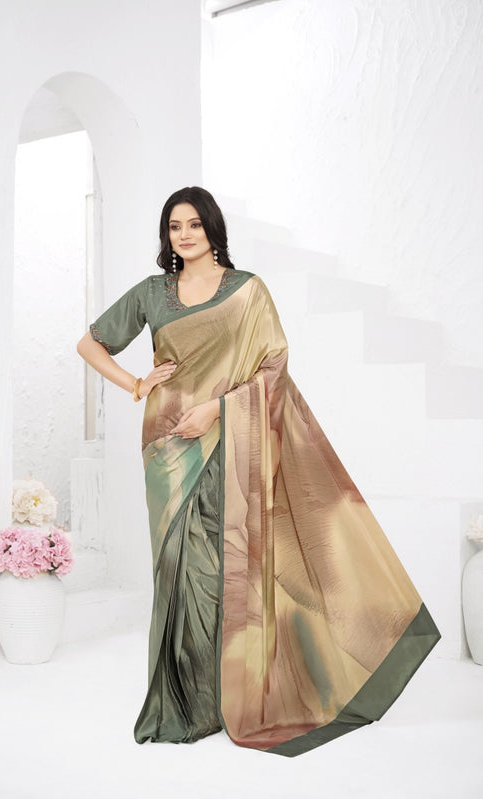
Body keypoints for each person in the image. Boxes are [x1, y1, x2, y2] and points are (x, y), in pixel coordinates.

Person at [77, 186, 440, 757]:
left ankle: (229, 695)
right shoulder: (151, 293)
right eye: (174, 226)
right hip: (168, 446)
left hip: (229, 438)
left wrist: (217, 410)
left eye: (194, 224)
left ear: (213, 229)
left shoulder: (247, 290)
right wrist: (137, 384)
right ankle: (184, 704)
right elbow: (90, 343)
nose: (184, 235)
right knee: (177, 569)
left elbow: (273, 367)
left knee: (229, 564)